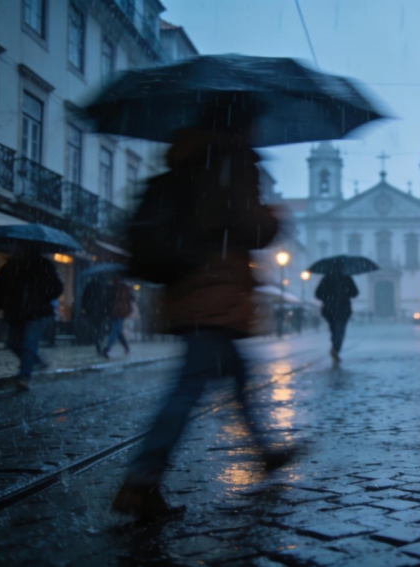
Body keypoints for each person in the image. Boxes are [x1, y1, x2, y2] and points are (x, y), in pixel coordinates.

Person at [112, 126, 292, 519]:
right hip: (215, 287)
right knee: (189, 385)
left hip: (191, 287)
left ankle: (265, 453)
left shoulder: (186, 165)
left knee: (237, 375)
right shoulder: (230, 165)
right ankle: (141, 480)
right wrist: (274, 217)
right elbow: (251, 227)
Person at [0, 246, 63, 391]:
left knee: (29, 343)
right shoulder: (10, 267)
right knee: (13, 342)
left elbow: (56, 288)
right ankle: (33, 361)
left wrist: (41, 296)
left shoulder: (43, 266)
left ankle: (24, 376)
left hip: (36, 312)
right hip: (16, 312)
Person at [315, 271, 359, 364]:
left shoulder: (326, 278)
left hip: (329, 309)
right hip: (343, 309)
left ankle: (335, 348)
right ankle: (335, 348)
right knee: (340, 330)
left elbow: (318, 294)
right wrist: (345, 293)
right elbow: (355, 293)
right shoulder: (347, 278)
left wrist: (327, 297)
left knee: (334, 329)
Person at [102, 275, 133, 358]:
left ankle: (107, 348)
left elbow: (108, 300)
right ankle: (125, 346)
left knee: (115, 330)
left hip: (117, 312)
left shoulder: (119, 288)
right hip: (116, 312)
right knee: (117, 331)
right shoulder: (121, 288)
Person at [81, 276, 110, 352]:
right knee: (99, 328)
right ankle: (97, 340)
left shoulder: (89, 286)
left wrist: (85, 309)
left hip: (92, 311)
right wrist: (106, 311)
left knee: (94, 327)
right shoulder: (102, 287)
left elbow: (84, 299)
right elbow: (105, 300)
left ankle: (95, 340)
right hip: (100, 311)